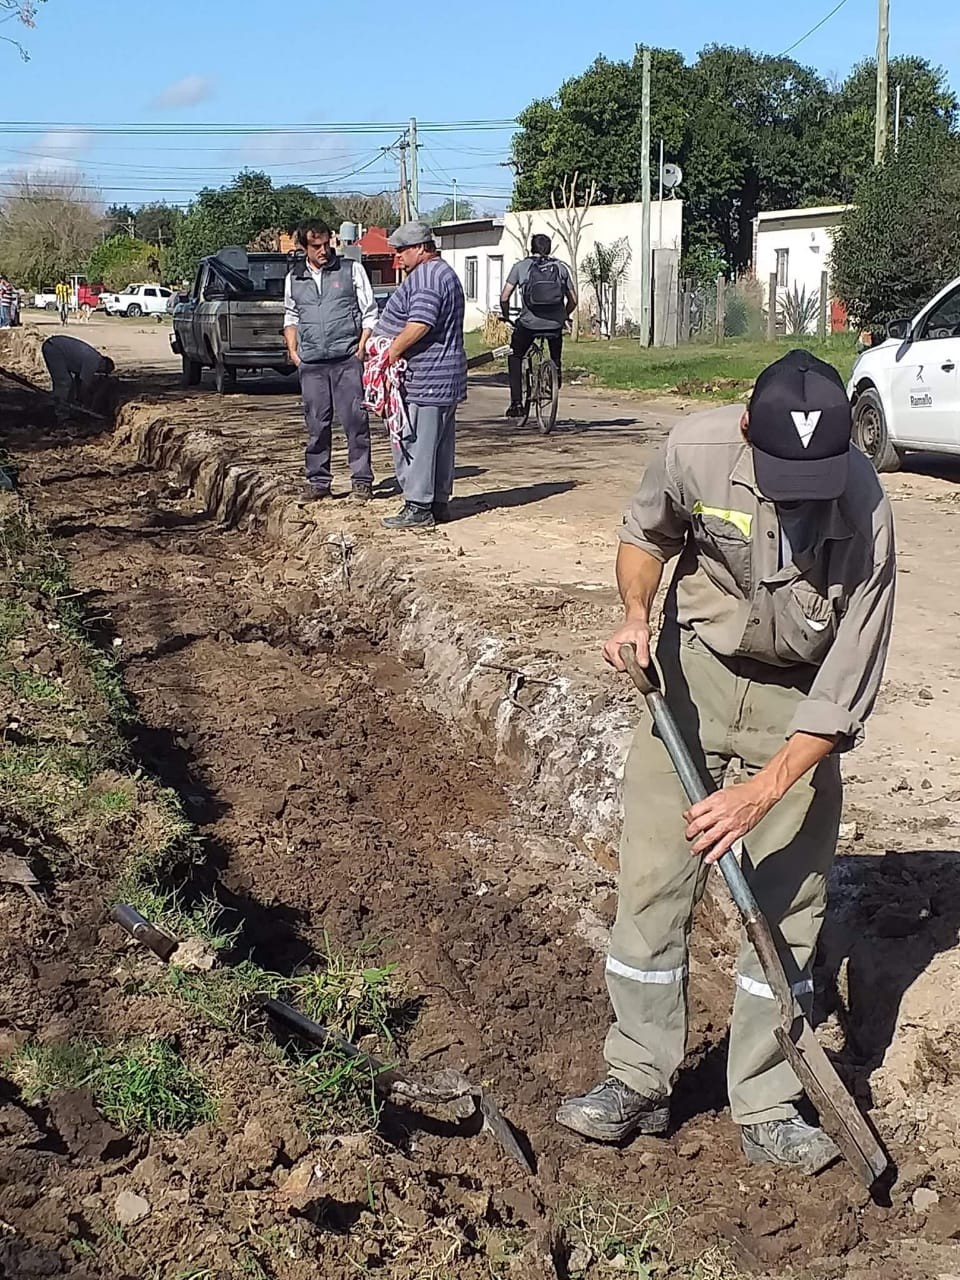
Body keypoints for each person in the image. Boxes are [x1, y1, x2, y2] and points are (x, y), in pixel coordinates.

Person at [557, 349, 896, 1175]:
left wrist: (764, 790)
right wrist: (636, 614)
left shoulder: (865, 506)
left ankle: (768, 1099)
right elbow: (646, 534)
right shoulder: (696, 450)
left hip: (799, 707)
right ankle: (637, 1074)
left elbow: (848, 684)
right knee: (651, 883)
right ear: (748, 429)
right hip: (692, 675)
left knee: (785, 908)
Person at [373, 220, 466, 532]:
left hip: (427, 377)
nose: (397, 257)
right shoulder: (443, 272)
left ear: (421, 249)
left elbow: (420, 323)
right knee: (438, 443)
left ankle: (418, 507)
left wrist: (391, 353)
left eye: (402, 250)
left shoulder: (426, 278)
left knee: (416, 443)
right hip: (443, 376)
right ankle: (438, 502)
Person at [283, 220, 377, 503]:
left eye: (327, 244)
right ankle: (318, 481)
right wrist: (293, 350)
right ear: (303, 247)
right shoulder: (294, 278)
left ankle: (361, 481)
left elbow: (369, 311)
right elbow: (291, 316)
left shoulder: (351, 270)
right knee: (316, 424)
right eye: (316, 246)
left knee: (355, 421)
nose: (323, 250)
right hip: (311, 364)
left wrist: (361, 348)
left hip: (347, 359)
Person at [500, 234, 577, 419]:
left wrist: (506, 315)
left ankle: (516, 403)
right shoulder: (560, 268)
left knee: (515, 355)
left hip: (528, 324)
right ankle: (555, 373)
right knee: (555, 350)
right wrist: (564, 315)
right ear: (550, 249)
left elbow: (505, 297)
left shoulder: (520, 267)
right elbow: (574, 300)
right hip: (554, 325)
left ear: (530, 248)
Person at [41, 335, 116, 420]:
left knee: (70, 383)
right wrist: (84, 402)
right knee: (64, 382)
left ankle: (67, 408)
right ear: (104, 365)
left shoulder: (93, 358)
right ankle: (60, 414)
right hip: (54, 349)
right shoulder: (94, 362)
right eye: (104, 372)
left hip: (54, 345)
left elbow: (78, 381)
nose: (99, 373)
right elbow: (84, 385)